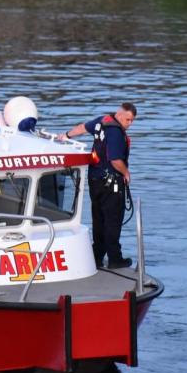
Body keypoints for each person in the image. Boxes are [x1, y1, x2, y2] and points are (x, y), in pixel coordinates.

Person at [66, 103, 137, 269]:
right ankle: (115, 258)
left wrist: (66, 135)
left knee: (98, 219)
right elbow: (115, 160)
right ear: (119, 115)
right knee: (112, 220)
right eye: (128, 119)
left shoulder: (102, 121)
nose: (130, 124)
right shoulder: (116, 133)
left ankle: (97, 256)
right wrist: (126, 173)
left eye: (132, 121)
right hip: (111, 183)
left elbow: (83, 127)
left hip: (95, 181)